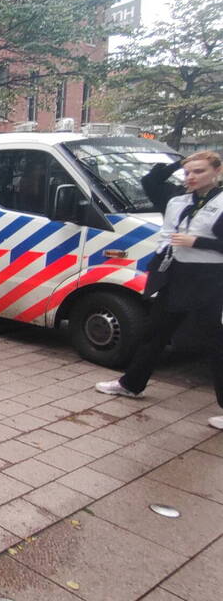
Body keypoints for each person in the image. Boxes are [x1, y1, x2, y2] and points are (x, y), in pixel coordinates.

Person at [96, 151, 223, 429]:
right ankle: (131, 384)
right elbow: (150, 179)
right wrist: (181, 162)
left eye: (199, 171)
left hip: (209, 279)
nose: (191, 177)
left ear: (217, 172)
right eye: (188, 172)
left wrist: (196, 242)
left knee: (216, 343)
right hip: (175, 274)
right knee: (154, 333)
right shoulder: (176, 199)